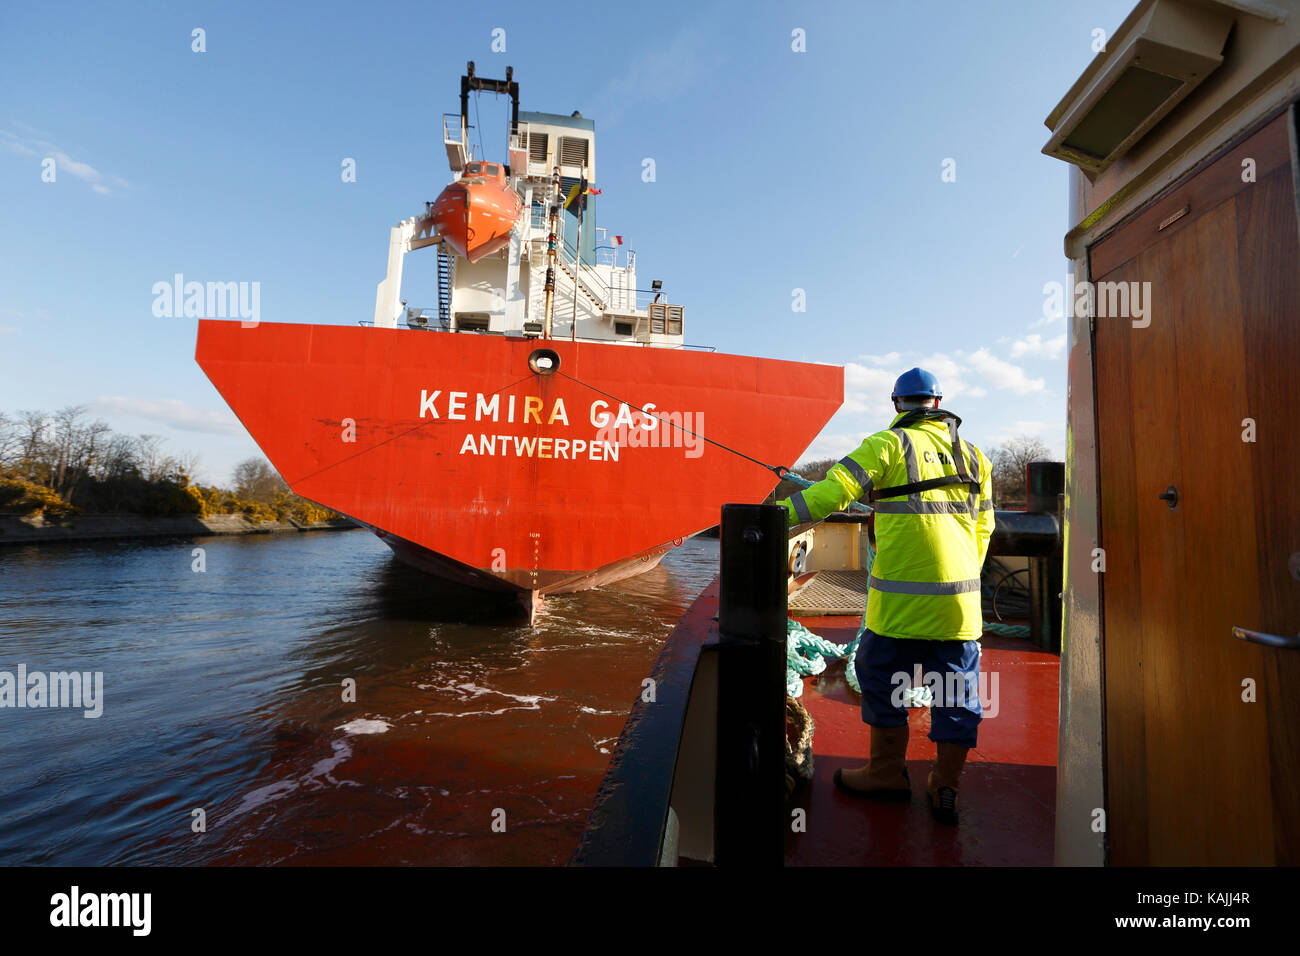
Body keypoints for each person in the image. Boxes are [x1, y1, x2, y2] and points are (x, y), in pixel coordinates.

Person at [779, 367, 994, 825]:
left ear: (898, 404)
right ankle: (945, 786)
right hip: (960, 605)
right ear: (938, 403)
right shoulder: (976, 458)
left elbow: (827, 497)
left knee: (877, 672)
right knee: (956, 691)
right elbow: (985, 527)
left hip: (899, 606)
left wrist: (770, 513)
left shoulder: (887, 445)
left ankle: (886, 775)